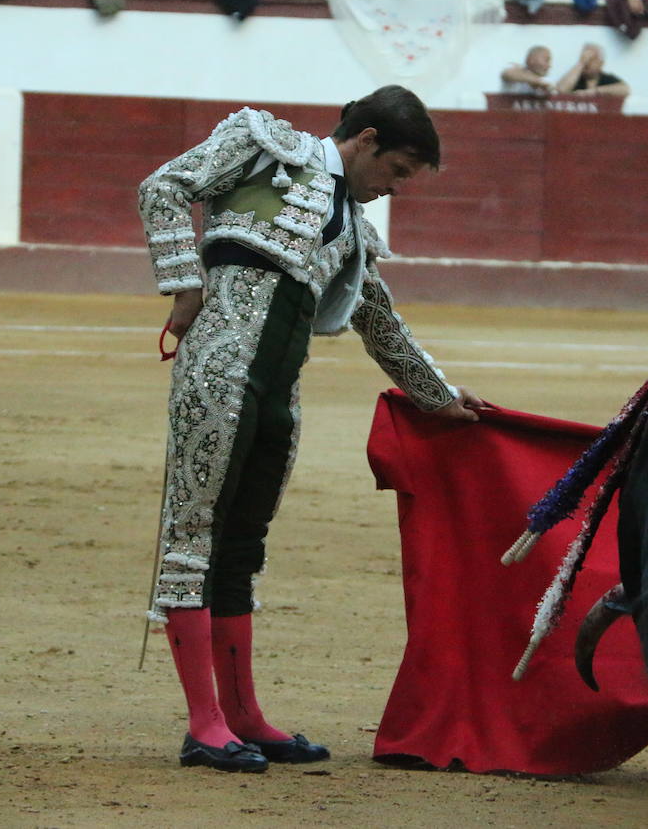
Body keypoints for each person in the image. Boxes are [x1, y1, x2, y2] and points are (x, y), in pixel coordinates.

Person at [137, 85, 483, 774]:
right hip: (218, 375)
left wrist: (437, 396)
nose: (395, 189)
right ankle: (203, 724)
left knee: (241, 548)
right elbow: (162, 188)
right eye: (399, 172)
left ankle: (243, 716)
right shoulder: (266, 147)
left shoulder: (353, 227)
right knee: (193, 539)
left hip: (277, 396)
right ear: (367, 140)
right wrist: (185, 282)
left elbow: (377, 318)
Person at [554, 43, 630, 96]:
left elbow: (625, 89)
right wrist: (581, 63)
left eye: (591, 59)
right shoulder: (575, 78)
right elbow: (560, 90)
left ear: (601, 63)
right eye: (584, 58)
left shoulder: (607, 78)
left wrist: (595, 91)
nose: (587, 63)